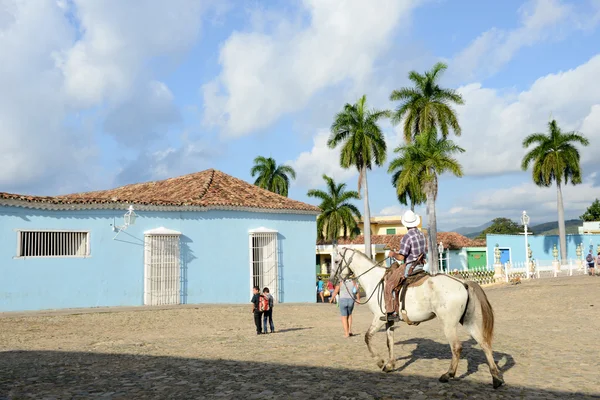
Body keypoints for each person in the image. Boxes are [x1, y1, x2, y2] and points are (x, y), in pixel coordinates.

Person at [380, 210, 427, 323]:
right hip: (420, 266)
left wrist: (393, 254)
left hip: (410, 267)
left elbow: (401, 257)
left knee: (389, 284)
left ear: (405, 224)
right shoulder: (421, 234)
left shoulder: (407, 237)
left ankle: (392, 312)